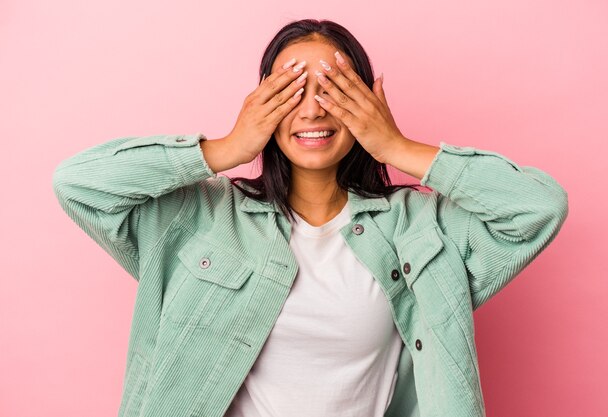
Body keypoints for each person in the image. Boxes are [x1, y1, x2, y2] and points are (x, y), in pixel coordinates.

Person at [52, 18, 568, 417]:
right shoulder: (201, 217)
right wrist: (227, 147)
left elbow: (539, 208)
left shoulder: (419, 228)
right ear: (261, 103)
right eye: (291, 91)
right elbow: (77, 184)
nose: (314, 110)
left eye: (335, 89)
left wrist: (396, 146)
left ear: (366, 102)